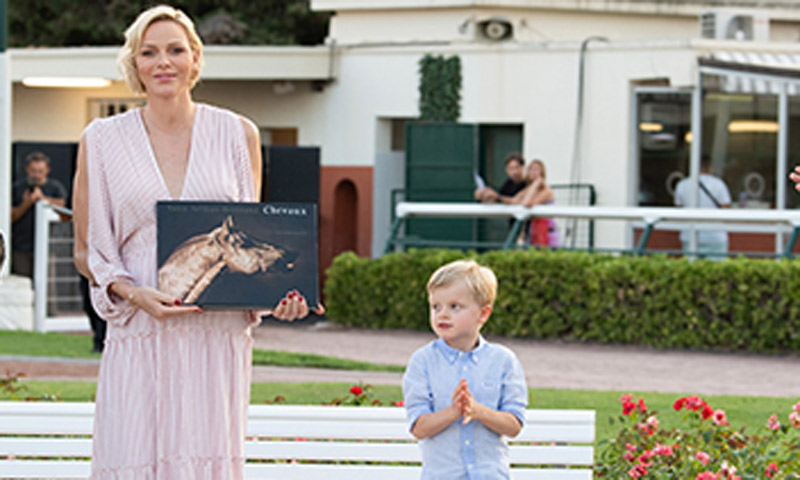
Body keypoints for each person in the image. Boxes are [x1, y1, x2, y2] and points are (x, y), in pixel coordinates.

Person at [71, 6, 320, 479]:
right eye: (149, 52)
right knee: (133, 452)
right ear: (134, 64)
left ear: (195, 59)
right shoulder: (101, 139)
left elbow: (249, 234)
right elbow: (88, 251)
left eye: (175, 50)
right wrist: (133, 292)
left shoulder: (237, 133)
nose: (163, 62)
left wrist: (278, 299)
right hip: (140, 325)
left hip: (215, 332)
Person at [402, 259, 528, 479]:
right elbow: (419, 428)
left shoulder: (503, 361)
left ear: (483, 314)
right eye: (435, 306)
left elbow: (514, 425)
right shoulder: (422, 362)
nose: (442, 314)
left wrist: (478, 411)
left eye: (454, 307)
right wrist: (454, 412)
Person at [10, 151, 67, 277]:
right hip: (21, 247)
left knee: (47, 286)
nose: (36, 175)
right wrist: (27, 203)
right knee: (22, 285)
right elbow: (10, 216)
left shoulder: (55, 188)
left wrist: (43, 199)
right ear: (26, 170)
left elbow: (63, 209)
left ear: (47, 170)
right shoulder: (17, 188)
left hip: (48, 246)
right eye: (33, 170)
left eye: (40, 171)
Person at [674, 155, 731, 260]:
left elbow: (679, 210)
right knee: (716, 273)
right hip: (715, 236)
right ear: (710, 167)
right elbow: (726, 210)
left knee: (691, 272)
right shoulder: (719, 184)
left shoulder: (682, 185)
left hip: (689, 235)